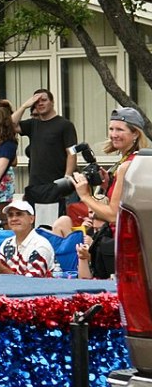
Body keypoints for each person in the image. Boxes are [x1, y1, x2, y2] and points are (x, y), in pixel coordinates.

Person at [63, 106, 149, 279]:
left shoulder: (126, 165)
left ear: (135, 134)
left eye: (120, 129)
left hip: (125, 245)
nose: (113, 134)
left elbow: (113, 214)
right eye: (111, 129)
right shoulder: (135, 160)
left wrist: (85, 195)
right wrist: (109, 182)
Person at [12, 89, 79, 213]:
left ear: (52, 102)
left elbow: (72, 152)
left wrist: (67, 177)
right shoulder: (33, 124)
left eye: (44, 100)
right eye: (36, 102)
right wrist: (24, 106)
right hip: (35, 186)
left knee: (53, 225)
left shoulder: (65, 125)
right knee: (35, 224)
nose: (40, 104)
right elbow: (10, 125)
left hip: (56, 185)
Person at [0, 200, 55, 277]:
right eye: (10, 215)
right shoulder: (7, 243)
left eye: (19, 214)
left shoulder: (41, 246)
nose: (14, 218)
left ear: (31, 219)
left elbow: (31, 284)